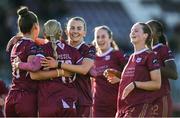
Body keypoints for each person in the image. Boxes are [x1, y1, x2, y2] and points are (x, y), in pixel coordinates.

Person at [41, 17, 96, 117]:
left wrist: (58, 64)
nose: (75, 31)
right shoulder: (60, 45)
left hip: (82, 100)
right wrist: (21, 38)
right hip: (61, 100)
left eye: (79, 28)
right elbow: (46, 40)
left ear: (84, 32)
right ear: (66, 31)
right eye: (72, 28)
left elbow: (84, 69)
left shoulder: (89, 48)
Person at [29, 19, 83, 117]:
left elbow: (33, 75)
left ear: (45, 34)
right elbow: (81, 70)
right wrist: (61, 72)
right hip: (69, 102)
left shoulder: (42, 49)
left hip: (48, 102)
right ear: (61, 33)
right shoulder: (73, 50)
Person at [115, 22, 161, 117]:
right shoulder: (131, 56)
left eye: (136, 31)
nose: (132, 33)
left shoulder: (150, 55)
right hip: (122, 109)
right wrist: (119, 80)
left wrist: (135, 84)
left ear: (145, 35)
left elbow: (157, 83)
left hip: (138, 107)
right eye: (131, 31)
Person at [4, 6, 41, 117]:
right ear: (36, 26)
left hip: (11, 96)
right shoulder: (32, 46)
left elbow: (7, 49)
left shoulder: (15, 44)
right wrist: (20, 64)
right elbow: (33, 67)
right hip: (26, 98)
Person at [90, 25, 126, 117]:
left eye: (103, 36)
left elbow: (130, 76)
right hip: (98, 107)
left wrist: (119, 78)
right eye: (97, 37)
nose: (100, 40)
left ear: (110, 39)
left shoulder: (117, 55)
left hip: (118, 104)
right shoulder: (92, 58)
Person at [146, 20, 178, 116]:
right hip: (146, 100)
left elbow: (173, 74)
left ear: (159, 33)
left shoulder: (162, 49)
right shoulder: (142, 53)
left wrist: (153, 65)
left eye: (150, 30)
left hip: (160, 99)